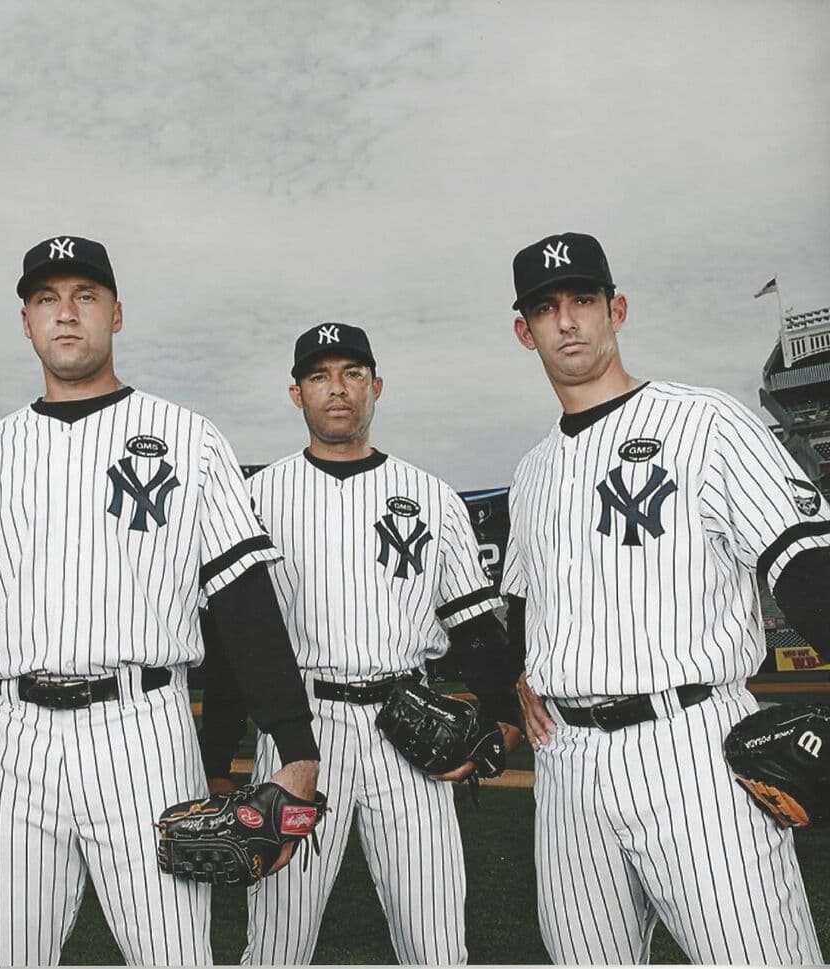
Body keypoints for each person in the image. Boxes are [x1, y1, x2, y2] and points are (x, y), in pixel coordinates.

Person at [0, 235, 320, 967]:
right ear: (26, 321)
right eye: (46, 298)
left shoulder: (189, 439)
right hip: (13, 740)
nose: (66, 313)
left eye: (85, 296)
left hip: (145, 731)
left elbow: (244, 603)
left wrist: (295, 742)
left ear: (116, 314)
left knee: (176, 955)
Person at [503, 231, 827, 964]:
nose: (567, 320)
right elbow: (526, 595)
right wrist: (522, 671)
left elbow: (806, 561)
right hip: (567, 767)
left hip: (693, 746)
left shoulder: (705, 422)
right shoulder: (531, 472)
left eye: (583, 299)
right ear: (525, 332)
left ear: (616, 309)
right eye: (546, 307)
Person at [221, 322, 522, 965]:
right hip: (301, 731)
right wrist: (216, 755)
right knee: (276, 942)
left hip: (407, 725)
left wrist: (501, 714)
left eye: (352, 374)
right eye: (319, 376)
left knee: (436, 942)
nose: (338, 389)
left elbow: (471, 622)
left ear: (376, 386)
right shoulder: (255, 497)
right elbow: (231, 639)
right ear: (296, 393)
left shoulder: (433, 497)